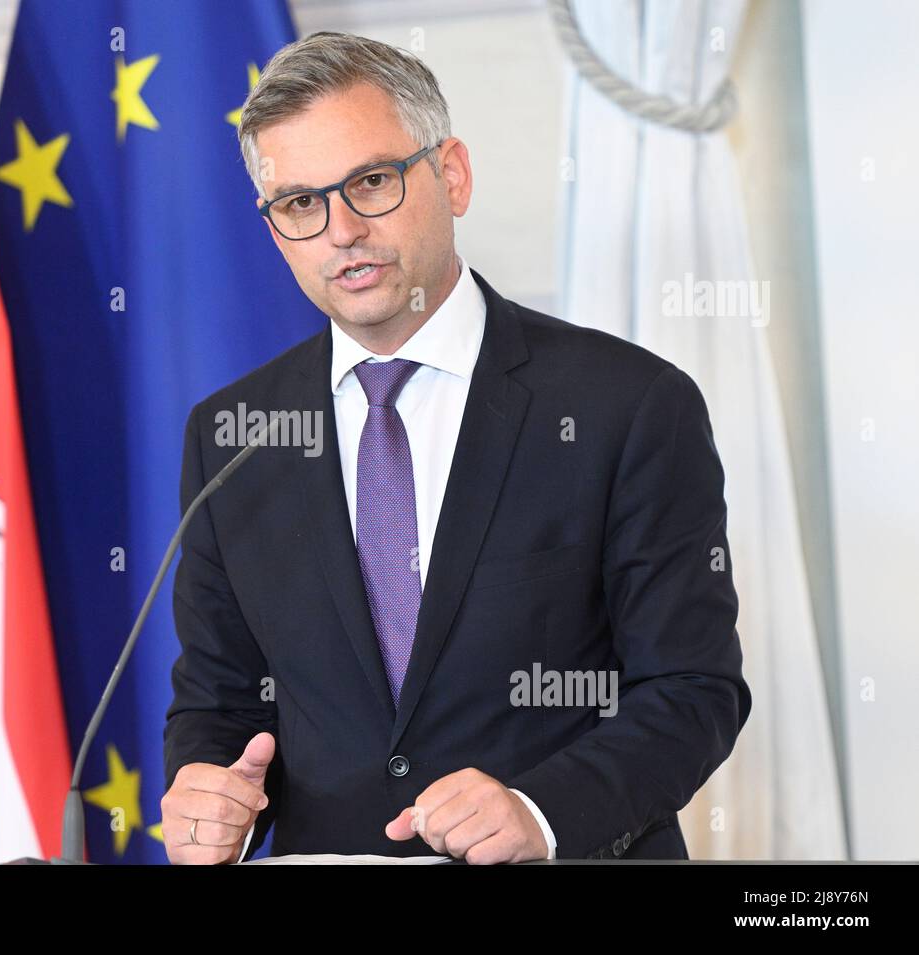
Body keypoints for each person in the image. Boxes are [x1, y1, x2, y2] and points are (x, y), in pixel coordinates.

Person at [160, 31, 751, 864]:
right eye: (300, 203)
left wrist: (539, 812)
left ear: (453, 175)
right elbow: (220, 701)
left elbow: (694, 690)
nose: (341, 231)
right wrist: (206, 788)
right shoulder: (232, 433)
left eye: (371, 182)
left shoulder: (629, 405)